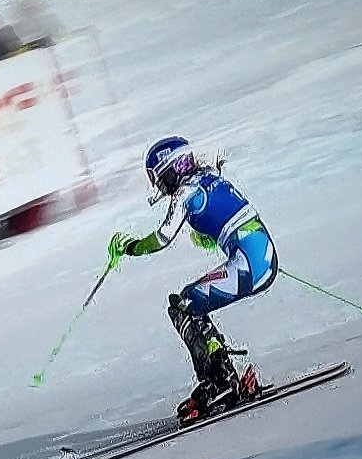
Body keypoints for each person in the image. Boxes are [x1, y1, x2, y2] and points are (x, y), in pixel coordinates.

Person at [107, 136, 279, 427]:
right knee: (191, 303)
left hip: (250, 263)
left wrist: (130, 247)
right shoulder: (208, 176)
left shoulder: (185, 192)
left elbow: (162, 237)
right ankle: (222, 375)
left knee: (183, 306)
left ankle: (218, 383)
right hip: (260, 256)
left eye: (160, 179)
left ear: (171, 170)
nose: (160, 187)